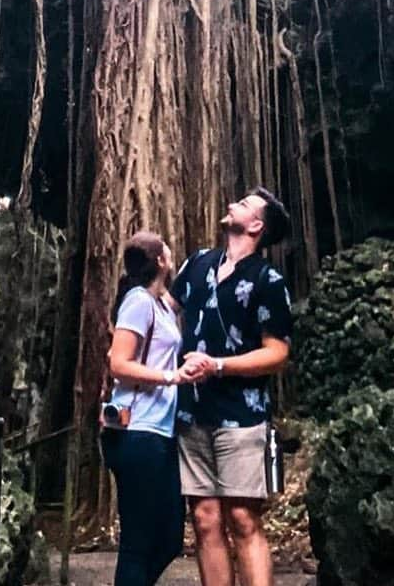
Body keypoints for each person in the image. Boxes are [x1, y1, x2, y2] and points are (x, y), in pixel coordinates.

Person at [169, 187, 292, 586]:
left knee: (242, 518)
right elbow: (168, 314)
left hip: (241, 416)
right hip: (192, 412)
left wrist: (218, 365)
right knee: (204, 519)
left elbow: (276, 353)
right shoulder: (198, 263)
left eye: (245, 204)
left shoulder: (267, 279)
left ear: (257, 225)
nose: (234, 204)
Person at [100, 230, 194, 586]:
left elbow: (183, 295)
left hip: (160, 434)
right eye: (168, 251)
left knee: (169, 538)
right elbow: (119, 364)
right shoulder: (138, 301)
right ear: (160, 261)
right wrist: (172, 377)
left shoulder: (159, 303)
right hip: (137, 433)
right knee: (138, 544)